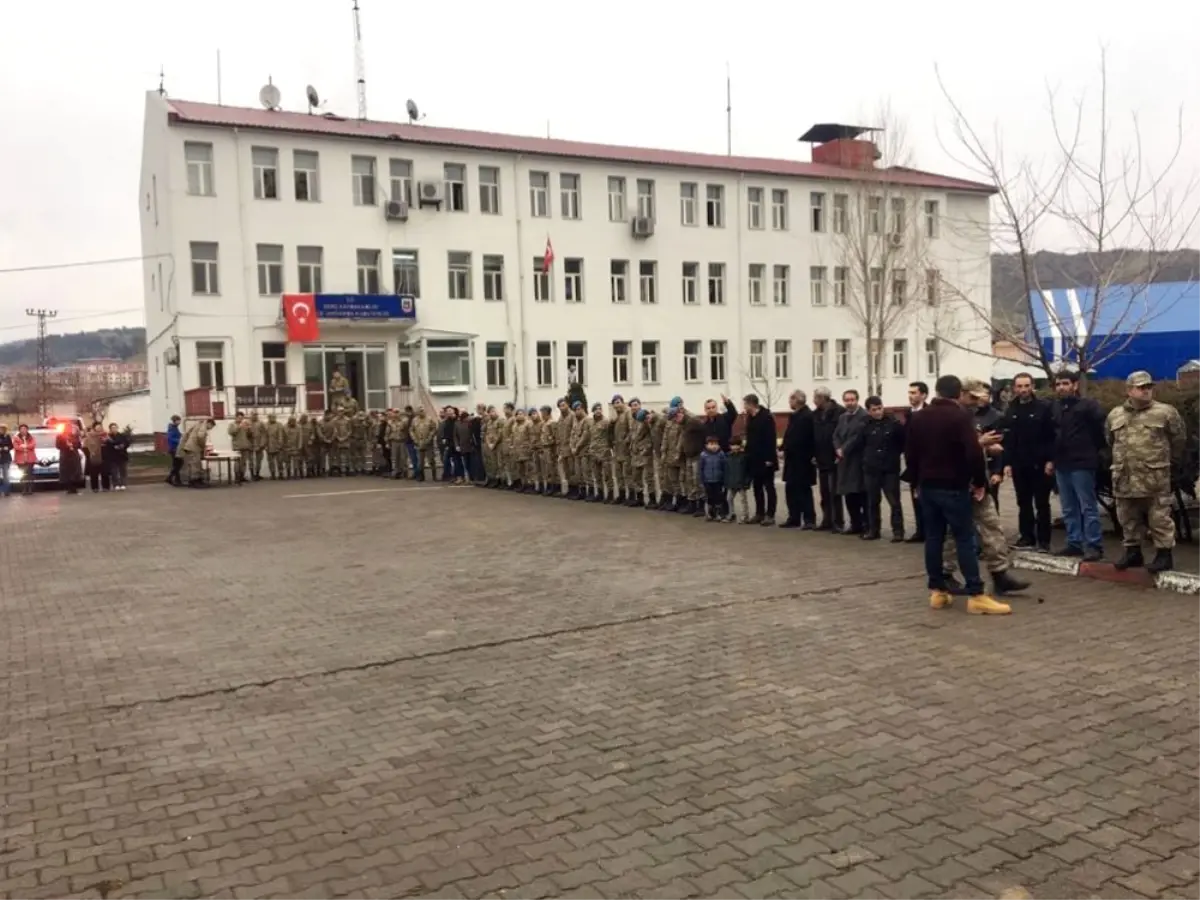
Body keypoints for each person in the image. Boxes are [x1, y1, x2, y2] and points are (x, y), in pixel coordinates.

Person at [905, 375, 1010, 615]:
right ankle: (976, 593)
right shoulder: (960, 416)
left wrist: (916, 482)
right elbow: (973, 454)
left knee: (933, 538)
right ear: (958, 393)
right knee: (964, 539)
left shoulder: (919, 417)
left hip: (928, 486)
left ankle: (937, 591)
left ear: (937, 391)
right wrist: (980, 482)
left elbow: (911, 453)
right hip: (953, 486)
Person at [1106, 371, 1188, 573]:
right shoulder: (1115, 414)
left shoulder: (1165, 412)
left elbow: (1179, 439)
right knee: (1127, 516)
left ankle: (1164, 555)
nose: (1146, 391)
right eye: (1141, 387)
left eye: (1148, 387)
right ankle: (1133, 552)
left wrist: (1167, 462)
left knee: (1159, 517)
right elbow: (1110, 440)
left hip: (1154, 477)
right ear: (1129, 390)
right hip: (1125, 476)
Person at [1050, 370, 1107, 560]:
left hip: (1082, 462)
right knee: (1068, 506)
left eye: (1065, 383)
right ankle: (1074, 542)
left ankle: (1093, 545)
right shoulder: (1055, 407)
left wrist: (1092, 450)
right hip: (1062, 463)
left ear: (1074, 385)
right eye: (1058, 384)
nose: (1061, 387)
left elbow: (1100, 432)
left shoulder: (1088, 406)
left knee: (1087, 506)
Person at [1001, 372, 1056, 551]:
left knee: (1041, 503)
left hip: (1040, 464)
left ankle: (1044, 540)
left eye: (1026, 386)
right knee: (1023, 502)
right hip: (1019, 464)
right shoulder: (1011, 410)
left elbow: (1051, 436)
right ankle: (1026, 537)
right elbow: (1008, 439)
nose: (1023, 390)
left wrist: (1050, 460)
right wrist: (1007, 463)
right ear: (1014, 388)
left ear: (1032, 386)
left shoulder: (1044, 407)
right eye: (1019, 386)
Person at [861, 396, 905, 542]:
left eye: (879, 408)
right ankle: (874, 530)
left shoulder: (893, 424)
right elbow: (860, 444)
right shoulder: (865, 425)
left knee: (894, 501)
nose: (878, 412)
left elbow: (902, 443)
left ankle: (898, 531)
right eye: (874, 410)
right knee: (872, 501)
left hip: (889, 468)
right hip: (871, 468)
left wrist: (892, 456)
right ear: (868, 411)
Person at [833, 390, 869, 535]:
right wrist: (837, 448)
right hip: (844, 462)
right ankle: (855, 524)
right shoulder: (842, 417)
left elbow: (857, 436)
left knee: (860, 494)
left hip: (857, 460)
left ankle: (866, 524)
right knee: (848, 494)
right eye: (847, 400)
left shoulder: (864, 416)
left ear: (857, 400)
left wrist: (844, 449)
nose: (850, 403)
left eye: (852, 400)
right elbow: (835, 435)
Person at [780, 390, 816, 529]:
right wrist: (783, 448)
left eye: (791, 399)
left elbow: (802, 438)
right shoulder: (794, 416)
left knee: (803, 490)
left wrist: (788, 448)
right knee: (791, 489)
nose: (789, 402)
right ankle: (793, 517)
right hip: (792, 460)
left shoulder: (807, 416)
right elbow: (789, 435)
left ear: (797, 400)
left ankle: (809, 519)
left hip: (803, 460)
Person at [742, 393, 778, 526]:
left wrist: (769, 458)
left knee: (769, 486)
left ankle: (770, 515)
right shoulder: (750, 418)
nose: (744, 407)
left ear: (751, 404)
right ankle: (759, 513)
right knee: (757, 487)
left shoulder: (766, 417)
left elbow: (771, 439)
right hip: (754, 458)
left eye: (745, 404)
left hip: (766, 459)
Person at [812, 388, 844, 531]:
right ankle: (827, 519)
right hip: (821, 457)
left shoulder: (839, 412)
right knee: (824, 491)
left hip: (834, 457)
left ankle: (838, 521)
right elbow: (813, 436)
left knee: (835, 491)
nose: (814, 400)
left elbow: (841, 434)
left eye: (816, 398)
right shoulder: (816, 415)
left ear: (823, 398)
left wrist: (839, 453)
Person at [903, 382, 929, 543]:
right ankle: (920, 530)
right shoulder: (908, 414)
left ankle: (930, 530)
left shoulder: (928, 413)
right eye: (910, 392)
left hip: (926, 462)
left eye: (914, 393)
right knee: (916, 496)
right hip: (912, 462)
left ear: (924, 395)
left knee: (926, 497)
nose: (911, 396)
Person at [723, 436, 752, 524]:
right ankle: (731, 514)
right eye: (733, 445)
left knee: (743, 500)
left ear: (740, 445)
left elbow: (748, 471)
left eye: (736, 445)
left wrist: (747, 482)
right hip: (731, 482)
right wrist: (726, 482)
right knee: (729, 498)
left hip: (741, 482)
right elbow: (726, 470)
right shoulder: (728, 456)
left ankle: (745, 516)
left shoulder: (744, 456)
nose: (735, 447)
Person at [699, 436, 728, 521]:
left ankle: (719, 513)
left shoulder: (721, 454)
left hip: (718, 480)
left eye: (715, 444)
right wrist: (701, 480)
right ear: (707, 445)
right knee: (709, 497)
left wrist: (724, 478)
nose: (714, 446)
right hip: (707, 480)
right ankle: (710, 513)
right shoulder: (703, 455)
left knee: (718, 497)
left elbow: (724, 467)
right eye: (711, 444)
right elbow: (700, 469)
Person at [56, 422, 83, 495]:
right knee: (66, 472)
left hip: (74, 455)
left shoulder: (75, 436)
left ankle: (74, 488)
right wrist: (66, 445)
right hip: (65, 455)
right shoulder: (60, 436)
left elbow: (79, 445)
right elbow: (57, 446)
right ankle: (69, 488)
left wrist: (73, 445)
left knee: (75, 471)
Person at [104, 423, 132, 491]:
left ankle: (123, 484)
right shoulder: (108, 437)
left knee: (123, 471)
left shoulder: (122, 436)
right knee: (114, 472)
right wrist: (113, 444)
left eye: (115, 427)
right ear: (110, 429)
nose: (114, 429)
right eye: (112, 428)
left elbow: (126, 443)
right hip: (113, 457)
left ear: (117, 428)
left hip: (122, 456)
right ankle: (116, 484)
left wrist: (122, 446)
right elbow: (108, 446)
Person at [82, 423, 109, 493]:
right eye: (97, 427)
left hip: (103, 455)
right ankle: (95, 488)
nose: (99, 428)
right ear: (94, 428)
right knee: (94, 473)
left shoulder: (105, 434)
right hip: (93, 455)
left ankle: (106, 487)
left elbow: (109, 443)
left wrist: (105, 440)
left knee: (104, 472)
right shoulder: (89, 435)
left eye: (100, 426)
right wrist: (90, 452)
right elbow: (85, 446)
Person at [13, 424, 36, 496]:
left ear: (27, 430)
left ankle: (30, 488)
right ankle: (24, 488)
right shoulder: (16, 438)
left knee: (29, 474)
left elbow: (33, 445)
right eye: (22, 429)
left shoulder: (31, 437)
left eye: (25, 429)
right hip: (20, 459)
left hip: (30, 459)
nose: (23, 430)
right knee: (22, 474)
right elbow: (16, 447)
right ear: (19, 430)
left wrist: (25, 446)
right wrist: (24, 448)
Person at [166, 415, 184, 486]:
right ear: (175, 421)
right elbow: (171, 438)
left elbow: (178, 435)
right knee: (178, 464)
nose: (180, 422)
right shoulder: (172, 428)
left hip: (176, 448)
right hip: (174, 448)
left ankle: (173, 479)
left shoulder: (175, 428)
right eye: (178, 420)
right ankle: (173, 479)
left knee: (177, 464)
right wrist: (179, 440)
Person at [0, 424, 12, 497]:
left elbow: (11, 445)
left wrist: (7, 448)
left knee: (6, 476)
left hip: (6, 458)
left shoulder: (7, 436)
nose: (1, 430)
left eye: (2, 429)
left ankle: (6, 491)